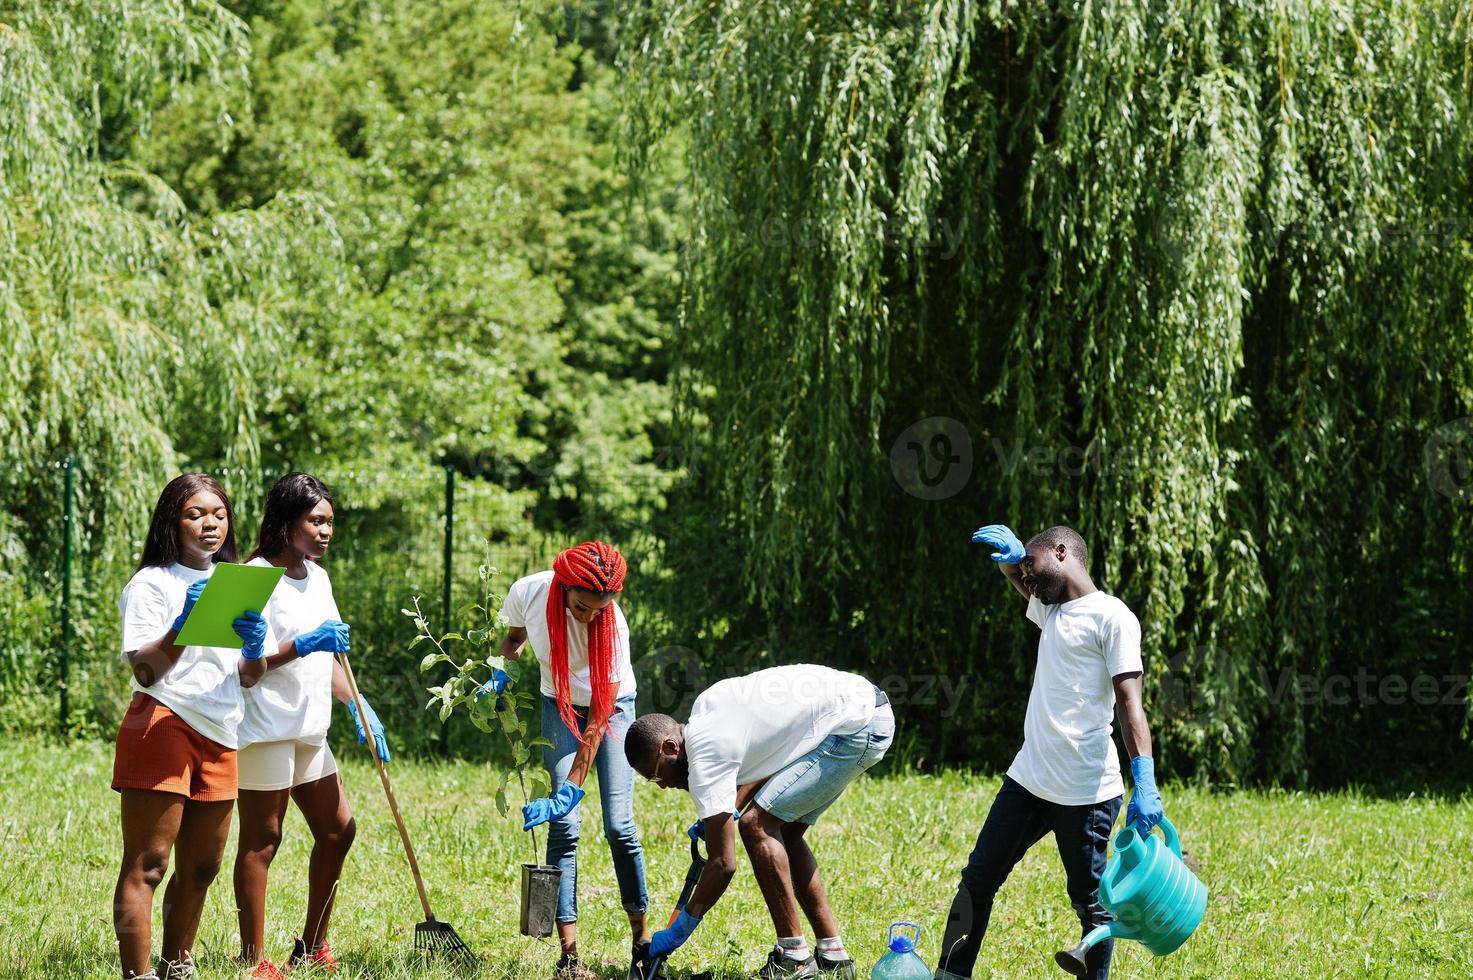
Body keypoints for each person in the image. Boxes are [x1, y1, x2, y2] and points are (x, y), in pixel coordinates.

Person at [933, 524, 1164, 980]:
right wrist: (1010, 559)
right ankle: (950, 975)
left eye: (1033, 564)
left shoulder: (1112, 617)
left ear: (1062, 552)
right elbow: (1024, 582)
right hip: (1029, 780)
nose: (1027, 577)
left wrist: (1145, 778)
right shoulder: (1051, 610)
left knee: (1091, 906)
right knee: (977, 881)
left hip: (1086, 792)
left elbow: (1129, 703)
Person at [625, 664, 895, 980]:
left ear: (670, 747)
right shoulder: (708, 710)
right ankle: (833, 956)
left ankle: (793, 958)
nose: (662, 784)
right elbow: (771, 755)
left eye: (656, 774)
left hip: (855, 727)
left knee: (757, 827)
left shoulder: (705, 754)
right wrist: (726, 808)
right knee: (786, 833)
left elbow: (722, 864)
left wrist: (678, 932)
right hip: (861, 708)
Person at [112, 474, 274, 980]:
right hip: (164, 722)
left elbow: (248, 677)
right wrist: (184, 622)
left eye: (219, 515)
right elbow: (145, 672)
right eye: (195, 514)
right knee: (151, 863)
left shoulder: (237, 583)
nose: (210, 524)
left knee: (202, 867)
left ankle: (176, 965)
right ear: (171, 521)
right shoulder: (152, 583)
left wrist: (254, 650)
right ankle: (138, 976)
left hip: (223, 730)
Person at [232, 473, 390, 978]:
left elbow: (332, 656)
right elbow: (245, 669)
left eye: (330, 522)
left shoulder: (317, 577)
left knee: (339, 830)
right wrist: (299, 645)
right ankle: (253, 960)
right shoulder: (251, 577)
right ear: (286, 521)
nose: (325, 532)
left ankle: (311, 945)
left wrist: (357, 703)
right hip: (264, 727)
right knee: (263, 840)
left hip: (309, 726)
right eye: (315, 521)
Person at [500, 541, 648, 980]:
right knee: (564, 826)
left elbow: (598, 720)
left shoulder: (612, 626)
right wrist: (500, 670)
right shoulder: (528, 592)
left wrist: (572, 785)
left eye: (599, 609)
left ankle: (642, 940)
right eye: (582, 606)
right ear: (563, 586)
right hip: (558, 702)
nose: (590, 616)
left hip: (612, 710)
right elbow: (514, 637)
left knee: (618, 825)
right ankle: (569, 955)